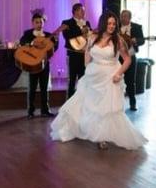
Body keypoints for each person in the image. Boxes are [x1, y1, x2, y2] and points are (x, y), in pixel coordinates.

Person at [51, 11, 147, 150]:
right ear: (103, 24)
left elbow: (127, 59)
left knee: (106, 108)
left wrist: (118, 74)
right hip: (93, 75)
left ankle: (103, 138)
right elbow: (88, 53)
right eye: (109, 23)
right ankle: (86, 130)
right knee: (85, 104)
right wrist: (87, 67)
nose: (112, 26)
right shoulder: (93, 37)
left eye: (114, 23)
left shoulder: (118, 40)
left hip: (110, 76)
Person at [20, 13, 59, 119]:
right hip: (33, 64)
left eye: (41, 22)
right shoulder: (28, 33)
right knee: (32, 88)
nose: (39, 24)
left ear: (43, 23)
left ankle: (45, 110)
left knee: (44, 88)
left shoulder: (48, 35)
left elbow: (54, 48)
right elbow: (22, 42)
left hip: (45, 64)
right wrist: (33, 43)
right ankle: (30, 111)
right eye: (37, 22)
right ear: (33, 23)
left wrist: (56, 40)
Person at [61, 3, 92, 98]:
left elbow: (90, 36)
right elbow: (67, 36)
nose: (83, 12)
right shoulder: (66, 23)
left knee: (84, 79)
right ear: (75, 11)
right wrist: (80, 31)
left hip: (84, 55)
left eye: (84, 10)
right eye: (81, 10)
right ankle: (69, 102)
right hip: (73, 54)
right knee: (72, 80)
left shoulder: (87, 23)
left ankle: (82, 101)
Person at [119, 10, 145, 111]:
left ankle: (132, 103)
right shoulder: (116, 27)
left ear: (130, 18)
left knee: (130, 81)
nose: (123, 18)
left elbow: (142, 40)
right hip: (118, 58)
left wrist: (136, 41)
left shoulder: (137, 27)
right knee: (118, 80)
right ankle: (118, 103)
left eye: (125, 16)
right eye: (122, 16)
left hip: (131, 56)